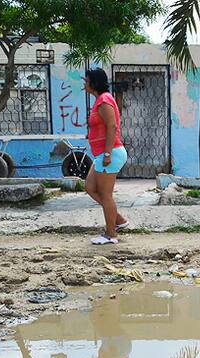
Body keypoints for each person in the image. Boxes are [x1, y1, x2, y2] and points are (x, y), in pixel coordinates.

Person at [84, 68, 129, 245]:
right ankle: (118, 219)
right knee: (90, 187)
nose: (84, 83)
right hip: (102, 154)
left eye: (86, 80)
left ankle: (111, 234)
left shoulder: (104, 101)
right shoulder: (100, 101)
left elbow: (112, 127)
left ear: (94, 83)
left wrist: (108, 154)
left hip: (109, 153)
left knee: (105, 194)